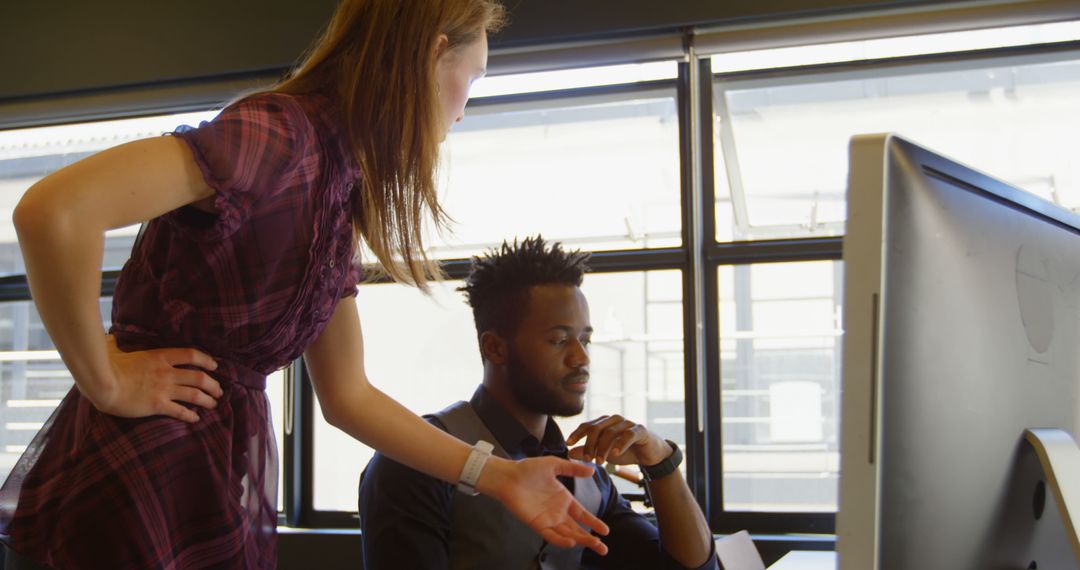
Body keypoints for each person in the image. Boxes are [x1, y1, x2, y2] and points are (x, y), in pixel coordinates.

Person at [0, 2, 610, 568]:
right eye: (472, 79)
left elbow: (349, 396)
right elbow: (55, 211)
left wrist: (499, 476)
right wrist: (104, 379)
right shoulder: (279, 135)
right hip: (138, 470)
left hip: (206, 475)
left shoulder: (336, 191)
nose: (465, 104)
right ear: (432, 54)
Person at [358, 236, 719, 569]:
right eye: (560, 341)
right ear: (495, 347)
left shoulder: (588, 475)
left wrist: (660, 461)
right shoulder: (413, 459)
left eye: (585, 340)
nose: (582, 358)